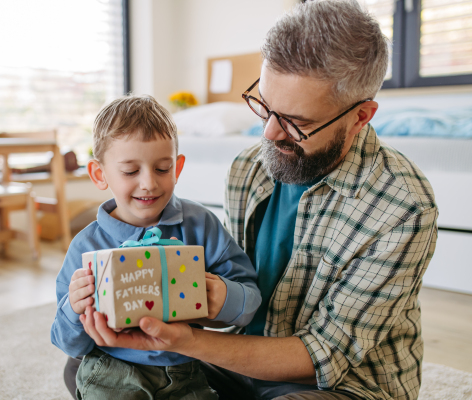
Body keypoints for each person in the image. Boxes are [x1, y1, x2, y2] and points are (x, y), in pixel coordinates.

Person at [76, 1, 439, 400]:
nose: (268, 133)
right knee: (96, 367)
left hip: (340, 383)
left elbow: (323, 357)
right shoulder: (249, 167)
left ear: (360, 116)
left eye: (296, 124)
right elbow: (234, 294)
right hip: (241, 360)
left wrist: (183, 342)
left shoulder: (402, 207)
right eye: (264, 105)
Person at [51, 95, 262, 399]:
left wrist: (223, 296)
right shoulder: (86, 245)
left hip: (187, 367)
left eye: (162, 169)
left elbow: (250, 301)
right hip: (113, 368)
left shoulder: (200, 224)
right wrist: (74, 308)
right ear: (100, 174)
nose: (149, 183)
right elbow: (67, 343)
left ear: (177, 167)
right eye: (130, 171)